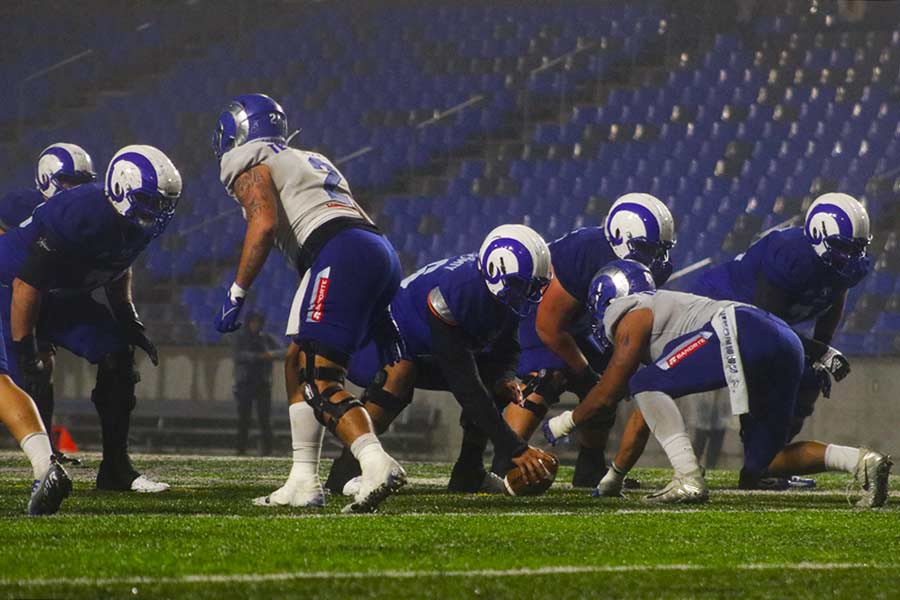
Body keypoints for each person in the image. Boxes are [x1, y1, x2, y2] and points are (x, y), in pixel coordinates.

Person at [543, 260, 891, 507]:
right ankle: (862, 461)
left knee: (645, 382)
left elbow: (609, 393)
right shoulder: (661, 308)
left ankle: (688, 479)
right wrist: (615, 476)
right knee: (763, 465)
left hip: (742, 328)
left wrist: (561, 423)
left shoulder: (633, 310)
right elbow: (646, 412)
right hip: (784, 339)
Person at [598, 193, 872, 495]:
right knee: (661, 382)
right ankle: (684, 469)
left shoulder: (849, 265)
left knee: (807, 381)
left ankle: (764, 463)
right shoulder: (786, 254)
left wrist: (821, 347)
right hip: (724, 311)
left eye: (858, 248)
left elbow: (835, 295)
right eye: (845, 248)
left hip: (762, 327)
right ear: (818, 235)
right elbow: (767, 319)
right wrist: (819, 350)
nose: (852, 258)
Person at [212, 93, 405, 513]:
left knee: (318, 378)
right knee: (295, 361)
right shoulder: (311, 158)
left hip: (338, 250)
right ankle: (303, 479)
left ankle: (374, 461)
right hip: (374, 246)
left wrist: (237, 290)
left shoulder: (250, 160)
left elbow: (262, 225)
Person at [0, 144, 180, 493]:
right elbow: (27, 283)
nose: (157, 210)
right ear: (119, 188)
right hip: (11, 291)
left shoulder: (134, 221)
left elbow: (118, 267)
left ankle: (116, 470)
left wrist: (129, 318)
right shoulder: (77, 213)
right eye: (150, 200)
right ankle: (43, 463)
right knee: (19, 378)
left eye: (164, 202)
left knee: (118, 356)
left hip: (59, 294)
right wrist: (26, 348)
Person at [324, 224, 556, 496]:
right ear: (495, 270)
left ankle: (469, 473)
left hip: (425, 345)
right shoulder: (455, 293)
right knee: (400, 373)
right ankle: (344, 472)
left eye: (534, 286)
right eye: (522, 285)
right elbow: (465, 384)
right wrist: (515, 447)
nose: (528, 294)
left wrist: (504, 377)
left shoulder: (503, 291)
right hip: (380, 339)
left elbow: (508, 344)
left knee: (494, 381)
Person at [501, 193, 675, 488]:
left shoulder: (656, 267)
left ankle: (590, 466)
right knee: (546, 376)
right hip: (539, 315)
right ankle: (508, 458)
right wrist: (582, 370)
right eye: (647, 248)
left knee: (607, 383)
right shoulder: (583, 250)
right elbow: (549, 325)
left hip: (586, 323)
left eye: (661, 249)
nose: (655, 258)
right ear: (620, 236)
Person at [0, 143, 96, 464]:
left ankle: (48, 451)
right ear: (47, 179)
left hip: (38, 297)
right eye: (69, 181)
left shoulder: (80, 214)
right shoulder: (19, 205)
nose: (77, 189)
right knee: (10, 378)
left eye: (82, 181)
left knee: (42, 367)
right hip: (8, 295)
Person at [233, 311, 279, 456]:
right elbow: (238, 355)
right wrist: (259, 357)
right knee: (244, 418)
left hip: (262, 383)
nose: (255, 325)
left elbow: (282, 351)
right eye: (253, 322)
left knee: (264, 418)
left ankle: (268, 449)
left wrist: (270, 354)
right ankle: (241, 449)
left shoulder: (266, 339)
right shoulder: (241, 338)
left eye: (258, 322)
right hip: (245, 383)